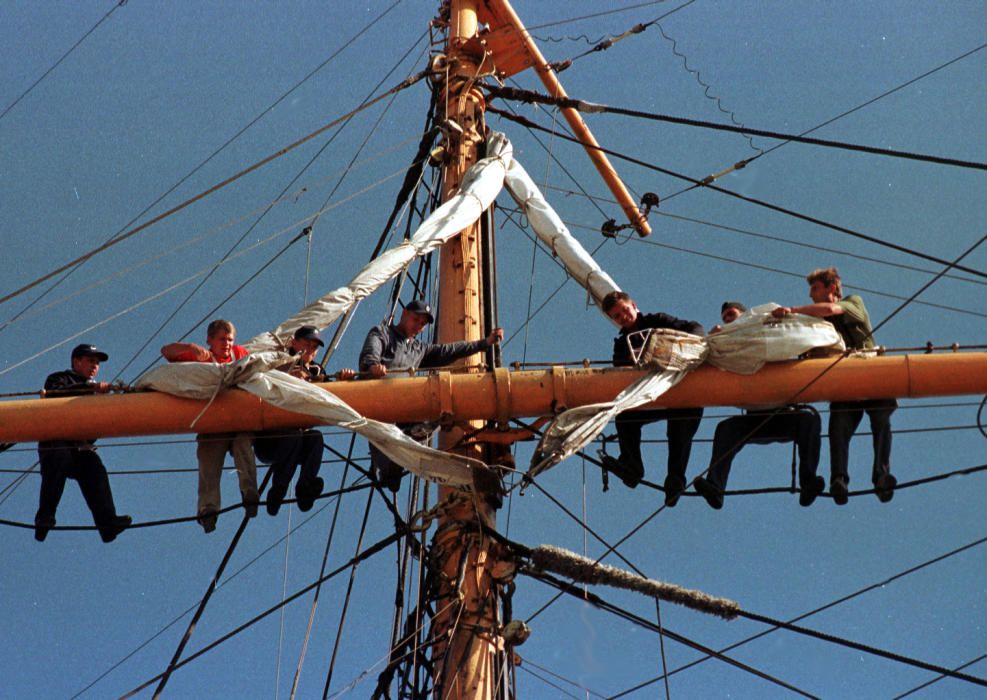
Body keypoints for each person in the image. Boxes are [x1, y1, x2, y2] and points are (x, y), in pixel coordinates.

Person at [772, 267, 897, 504]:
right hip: (843, 376)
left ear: (832, 288)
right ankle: (838, 479)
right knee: (839, 426)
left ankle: (881, 476)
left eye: (815, 288)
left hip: (871, 369)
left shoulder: (853, 302)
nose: (811, 295)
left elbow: (831, 309)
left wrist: (792, 311)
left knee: (881, 420)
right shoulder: (814, 323)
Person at [358, 299, 504, 491]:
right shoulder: (382, 333)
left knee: (439, 408)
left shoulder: (419, 349)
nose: (418, 326)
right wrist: (372, 367)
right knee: (383, 439)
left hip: (406, 410)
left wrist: (484, 343)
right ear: (404, 313)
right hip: (381, 400)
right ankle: (390, 466)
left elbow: (449, 351)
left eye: (422, 324)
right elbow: (370, 355)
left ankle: (407, 447)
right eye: (415, 319)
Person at [693, 302, 825, 509]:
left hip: (783, 415)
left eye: (731, 314)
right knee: (726, 428)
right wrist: (711, 342)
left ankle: (808, 482)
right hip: (754, 419)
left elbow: (785, 342)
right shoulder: (724, 345)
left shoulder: (764, 333)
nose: (728, 319)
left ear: (745, 315)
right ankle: (715, 487)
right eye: (725, 317)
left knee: (809, 421)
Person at [598, 291, 704, 507]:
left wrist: (690, 346)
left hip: (680, 390)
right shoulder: (621, 345)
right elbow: (622, 374)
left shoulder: (658, 321)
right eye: (617, 316)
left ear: (634, 305)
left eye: (625, 311)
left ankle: (675, 481)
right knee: (625, 417)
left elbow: (695, 328)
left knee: (680, 427)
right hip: (652, 393)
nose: (623, 317)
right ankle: (632, 465)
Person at [161, 319, 259, 532]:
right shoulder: (203, 359)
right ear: (210, 341)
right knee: (209, 463)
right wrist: (190, 348)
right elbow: (167, 352)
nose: (227, 343)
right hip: (213, 423)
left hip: (238, 420)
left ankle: (249, 495)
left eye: (230, 339)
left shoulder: (239, 353)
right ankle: (208, 510)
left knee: (243, 446)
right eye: (222, 339)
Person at [35, 344, 132, 543]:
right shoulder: (59, 378)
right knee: (58, 460)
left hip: (80, 445)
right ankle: (45, 517)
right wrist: (92, 389)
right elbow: (56, 394)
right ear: (76, 361)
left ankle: (107, 525)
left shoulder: (94, 392)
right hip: (57, 441)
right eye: (90, 361)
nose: (95, 366)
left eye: (97, 363)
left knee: (95, 470)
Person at [254, 325, 355, 515]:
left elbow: (333, 397)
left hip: (297, 440)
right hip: (269, 441)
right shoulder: (279, 361)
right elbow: (261, 379)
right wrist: (287, 377)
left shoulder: (317, 371)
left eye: (315, 347)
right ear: (293, 342)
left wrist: (344, 380)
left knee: (315, 438)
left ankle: (305, 488)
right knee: (293, 436)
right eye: (307, 343)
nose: (311, 349)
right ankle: (278, 490)